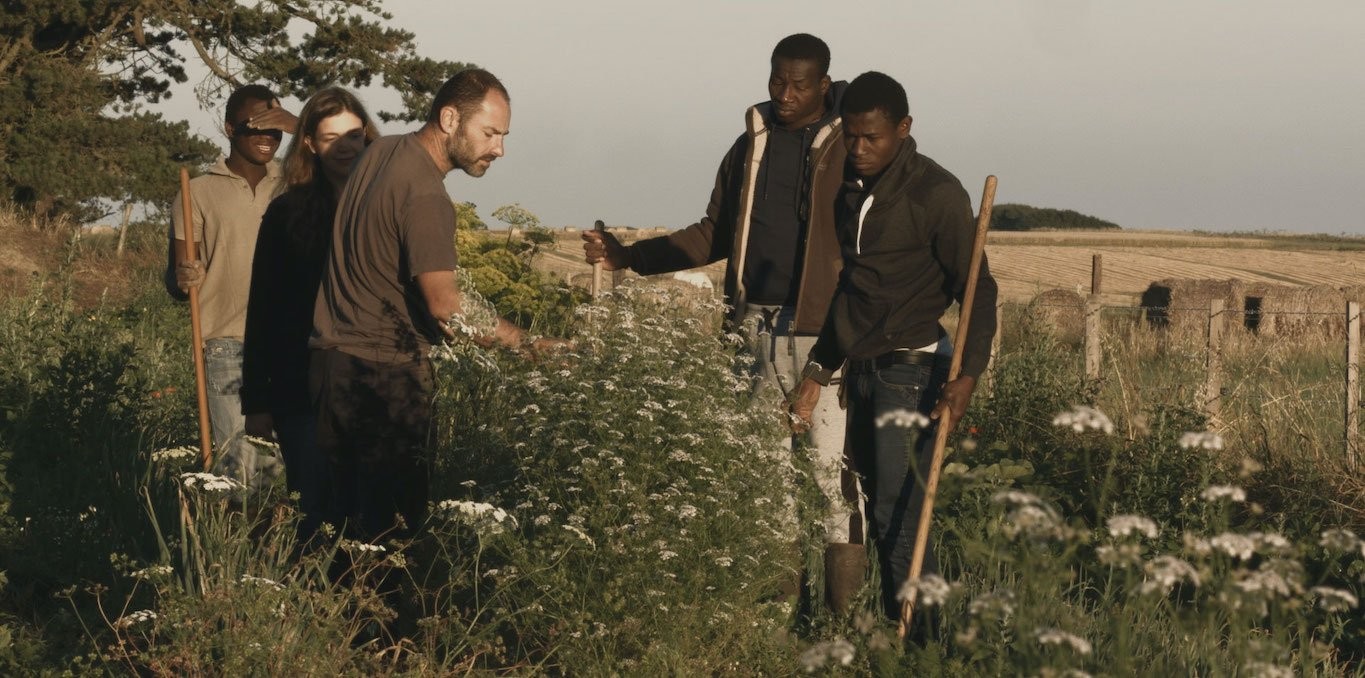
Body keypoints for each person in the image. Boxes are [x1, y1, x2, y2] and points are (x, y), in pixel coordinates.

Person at [581, 33, 865, 612]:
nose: (784, 94)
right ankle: (777, 621)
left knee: (833, 484)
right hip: (751, 330)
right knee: (766, 487)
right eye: (776, 81)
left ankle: (845, 634)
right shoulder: (748, 147)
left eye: (799, 84)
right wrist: (630, 256)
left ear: (825, 86)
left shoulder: (849, 147)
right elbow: (713, 232)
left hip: (823, 336)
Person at [311, 68, 559, 542]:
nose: (499, 149)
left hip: (330, 367)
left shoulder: (381, 151)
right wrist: (530, 344)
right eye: (489, 133)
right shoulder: (426, 194)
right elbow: (447, 306)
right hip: (385, 379)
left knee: (336, 536)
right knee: (387, 542)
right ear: (449, 118)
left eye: (503, 136)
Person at [790, 71, 998, 620]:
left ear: (903, 129)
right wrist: (817, 371)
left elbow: (979, 288)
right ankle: (893, 635)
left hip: (911, 374)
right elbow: (853, 292)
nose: (857, 149)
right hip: (861, 372)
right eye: (851, 136)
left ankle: (922, 648)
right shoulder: (851, 193)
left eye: (871, 137)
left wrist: (967, 376)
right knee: (877, 513)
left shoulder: (936, 193)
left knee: (899, 515)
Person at [241, 87, 378, 541]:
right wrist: (256, 401)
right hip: (299, 388)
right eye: (330, 137)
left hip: (375, 384)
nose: (344, 147)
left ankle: (363, 608)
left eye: (353, 135)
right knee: (313, 514)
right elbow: (264, 307)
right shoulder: (287, 212)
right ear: (309, 144)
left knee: (370, 515)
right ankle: (308, 606)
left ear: (368, 137)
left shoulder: (388, 206)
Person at [172, 84, 298, 484]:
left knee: (287, 470)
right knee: (239, 472)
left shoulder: (296, 185)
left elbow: (358, 160)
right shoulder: (197, 191)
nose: (267, 137)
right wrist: (182, 277)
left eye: (276, 129)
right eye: (254, 126)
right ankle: (234, 547)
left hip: (291, 343)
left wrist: (299, 123)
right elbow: (177, 280)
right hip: (228, 344)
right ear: (229, 129)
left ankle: (279, 547)